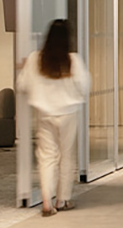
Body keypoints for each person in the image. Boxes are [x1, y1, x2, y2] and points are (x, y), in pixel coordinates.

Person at [16, 18, 91, 217]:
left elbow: (22, 85)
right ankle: (62, 199)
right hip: (68, 113)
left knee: (46, 157)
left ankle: (47, 202)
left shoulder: (35, 59)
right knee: (66, 157)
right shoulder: (72, 60)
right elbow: (84, 86)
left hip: (44, 113)